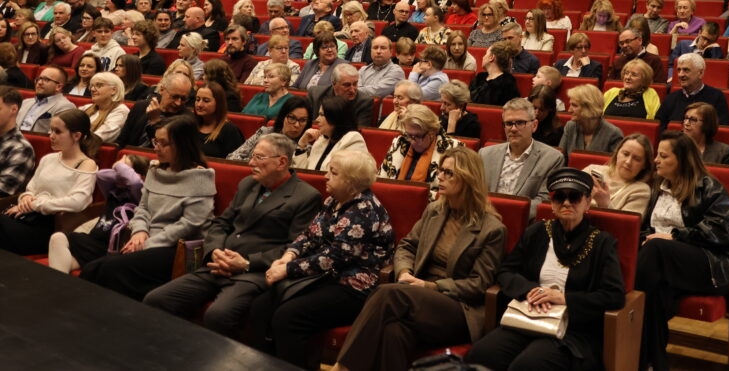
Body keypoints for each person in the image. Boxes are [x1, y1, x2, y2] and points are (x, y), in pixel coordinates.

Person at [333, 147, 506, 371]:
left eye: (448, 173)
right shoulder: (434, 210)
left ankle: (343, 367)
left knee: (388, 293)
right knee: (394, 331)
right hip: (417, 298)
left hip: (459, 309)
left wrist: (428, 286)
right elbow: (407, 246)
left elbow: (478, 285)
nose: (440, 176)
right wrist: (405, 272)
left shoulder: (492, 229)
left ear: (468, 178)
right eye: (440, 170)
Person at [143, 133, 322, 340]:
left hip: (253, 273)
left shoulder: (305, 196)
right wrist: (215, 251)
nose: (251, 163)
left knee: (217, 316)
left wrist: (246, 263)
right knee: (155, 299)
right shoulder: (249, 183)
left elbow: (294, 247)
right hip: (218, 264)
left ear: (282, 162)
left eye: (259, 158)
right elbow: (221, 223)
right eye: (252, 156)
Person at [245, 148, 393, 370]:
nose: (325, 176)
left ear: (351, 183)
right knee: (260, 306)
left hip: (353, 286)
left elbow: (334, 258)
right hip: (322, 277)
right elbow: (310, 234)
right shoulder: (334, 200)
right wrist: (289, 256)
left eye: (333, 173)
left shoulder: (363, 211)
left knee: (289, 317)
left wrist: (287, 270)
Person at [466, 167, 626, 371]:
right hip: (527, 318)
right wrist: (530, 290)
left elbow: (614, 295)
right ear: (552, 204)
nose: (567, 203)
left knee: (527, 365)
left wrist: (564, 298)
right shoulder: (537, 232)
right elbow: (505, 272)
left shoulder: (602, 243)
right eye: (560, 197)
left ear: (587, 202)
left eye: (574, 197)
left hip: (573, 330)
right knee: (480, 354)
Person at [636, 132, 729, 371]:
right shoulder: (658, 186)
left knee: (656, 249)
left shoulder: (710, 188)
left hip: (710, 264)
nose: (656, 161)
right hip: (662, 264)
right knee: (656, 293)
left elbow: (722, 232)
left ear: (682, 160)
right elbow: (645, 229)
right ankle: (653, 363)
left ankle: (626, 305)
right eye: (657, 155)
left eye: (663, 156)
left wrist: (674, 237)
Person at [81, 116, 217, 300]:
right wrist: (139, 232)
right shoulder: (156, 171)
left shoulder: (200, 178)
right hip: (143, 239)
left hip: (175, 249)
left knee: (109, 269)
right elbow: (142, 208)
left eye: (163, 143)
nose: (156, 147)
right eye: (155, 141)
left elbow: (190, 224)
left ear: (182, 144)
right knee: (92, 269)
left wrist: (148, 243)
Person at [0, 109, 99, 255]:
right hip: (26, 217)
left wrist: (35, 205)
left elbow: (78, 201)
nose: (51, 136)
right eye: (51, 130)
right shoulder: (49, 159)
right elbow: (31, 189)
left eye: (57, 132)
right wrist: (25, 198)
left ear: (76, 135)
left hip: (51, 227)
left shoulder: (86, 164)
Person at [480, 98, 565, 217]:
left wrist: (505, 212)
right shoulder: (485, 154)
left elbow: (543, 202)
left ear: (534, 125)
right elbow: (476, 193)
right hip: (485, 221)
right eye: (509, 123)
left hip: (523, 224)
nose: (513, 129)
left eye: (520, 123)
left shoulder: (552, 159)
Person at [378, 104, 463, 195]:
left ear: (432, 132)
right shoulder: (400, 142)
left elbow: (453, 193)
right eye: (409, 135)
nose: (412, 141)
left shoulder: (453, 149)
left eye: (418, 136)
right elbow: (381, 181)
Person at [656, 53, 729, 135]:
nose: (680, 74)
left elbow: (721, 130)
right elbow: (659, 128)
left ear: (700, 73)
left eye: (686, 70)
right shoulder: (670, 98)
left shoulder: (716, 97)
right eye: (678, 70)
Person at [116, 72, 194, 149]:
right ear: (162, 90)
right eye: (175, 97)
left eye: (183, 99)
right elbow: (121, 141)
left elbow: (166, 149)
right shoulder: (140, 106)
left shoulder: (187, 119)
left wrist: (155, 122)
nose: (178, 103)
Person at [581, 134, 653, 214]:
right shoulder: (592, 170)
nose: (628, 162)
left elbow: (626, 225)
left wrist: (605, 204)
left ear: (644, 165)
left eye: (636, 159)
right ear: (617, 153)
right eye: (625, 154)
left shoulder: (641, 190)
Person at [293, 96, 368, 172]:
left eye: (322, 115)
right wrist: (302, 145)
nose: (317, 120)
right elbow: (303, 173)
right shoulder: (322, 140)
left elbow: (346, 177)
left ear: (335, 117)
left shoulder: (353, 139)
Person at [228, 96, 312, 162]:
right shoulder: (265, 132)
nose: (297, 125)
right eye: (292, 118)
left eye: (302, 120)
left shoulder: (304, 149)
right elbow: (231, 157)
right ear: (283, 117)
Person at [560, 84, 624, 154]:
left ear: (589, 108)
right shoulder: (570, 126)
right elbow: (561, 157)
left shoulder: (613, 133)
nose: (569, 110)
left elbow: (615, 163)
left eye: (574, 105)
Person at [18, 66, 76, 134]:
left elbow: (56, 136)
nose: (39, 82)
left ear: (58, 87)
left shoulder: (65, 107)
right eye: (39, 79)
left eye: (46, 80)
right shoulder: (25, 102)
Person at [193, 82, 245, 159]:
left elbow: (236, 163)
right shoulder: (190, 126)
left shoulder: (230, 131)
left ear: (218, 103)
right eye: (197, 99)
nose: (199, 104)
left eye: (206, 101)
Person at [80, 71, 131, 143]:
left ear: (113, 90)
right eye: (91, 86)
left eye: (99, 85)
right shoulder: (87, 107)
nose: (92, 89)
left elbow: (98, 137)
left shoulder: (121, 111)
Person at [469, 40, 520, 106]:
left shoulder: (507, 83)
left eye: (486, 54)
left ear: (491, 57)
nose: (483, 57)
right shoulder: (480, 77)